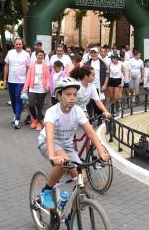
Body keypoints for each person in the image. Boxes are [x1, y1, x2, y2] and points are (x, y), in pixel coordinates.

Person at [37, 78, 110, 211]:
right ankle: (46, 191)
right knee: (63, 161)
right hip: (49, 143)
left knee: (83, 180)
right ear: (59, 96)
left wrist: (101, 151)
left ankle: (72, 215)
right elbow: (50, 134)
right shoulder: (52, 112)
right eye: (68, 94)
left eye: (75, 95)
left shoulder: (78, 111)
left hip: (67, 146)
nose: (72, 98)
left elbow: (90, 132)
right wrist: (53, 156)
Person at [3, 38, 30, 129]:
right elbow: (6, 66)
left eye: (20, 44)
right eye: (17, 44)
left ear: (22, 45)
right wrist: (4, 79)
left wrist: (27, 81)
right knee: (13, 100)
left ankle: (17, 120)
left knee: (18, 99)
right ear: (14, 44)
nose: (18, 46)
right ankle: (16, 114)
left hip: (21, 81)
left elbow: (28, 68)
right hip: (11, 81)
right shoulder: (10, 53)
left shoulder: (26, 55)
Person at [22, 50, 50, 131]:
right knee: (31, 105)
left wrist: (47, 85)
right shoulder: (32, 65)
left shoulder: (45, 66)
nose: (40, 57)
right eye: (39, 55)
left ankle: (38, 122)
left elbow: (48, 77)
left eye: (42, 55)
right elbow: (28, 77)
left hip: (42, 88)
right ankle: (34, 118)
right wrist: (25, 88)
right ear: (36, 56)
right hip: (32, 87)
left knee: (39, 106)